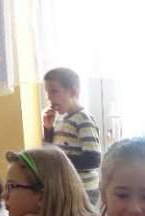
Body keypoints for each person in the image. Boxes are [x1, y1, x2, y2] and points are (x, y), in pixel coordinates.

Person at [43, 67, 102, 207]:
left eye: (54, 91)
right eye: (47, 92)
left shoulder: (83, 119)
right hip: (67, 187)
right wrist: (48, 129)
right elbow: (51, 151)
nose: (49, 97)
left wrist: (60, 161)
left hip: (83, 190)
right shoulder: (61, 120)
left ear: (73, 92)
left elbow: (93, 159)